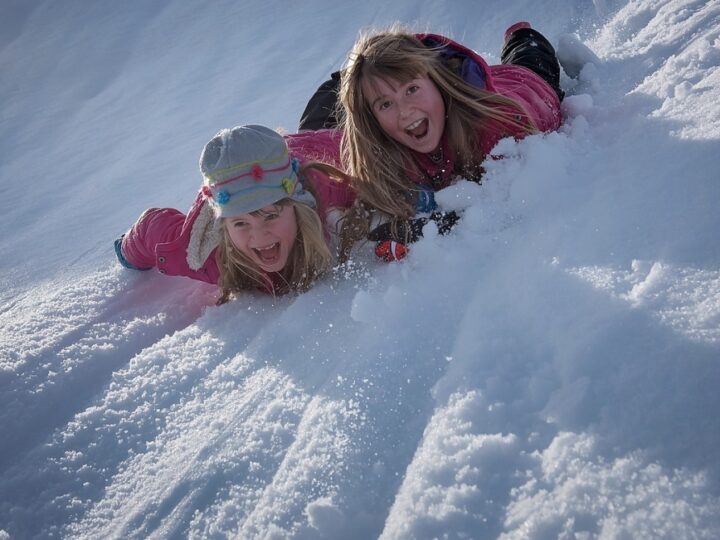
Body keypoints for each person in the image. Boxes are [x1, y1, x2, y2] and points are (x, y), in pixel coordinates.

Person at [323, 22, 564, 260]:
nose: (404, 111)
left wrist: (438, 226)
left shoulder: (494, 127)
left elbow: (502, 202)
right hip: (486, 87)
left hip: (528, 85)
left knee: (530, 55)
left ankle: (520, 34)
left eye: (411, 89)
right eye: (385, 104)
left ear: (437, 81)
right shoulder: (390, 147)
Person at [115, 125, 355, 303]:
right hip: (237, 182)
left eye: (271, 216)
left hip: (315, 148)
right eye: (240, 223)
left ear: (297, 207)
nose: (259, 236)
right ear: (223, 227)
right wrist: (127, 252)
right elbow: (151, 228)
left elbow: (360, 151)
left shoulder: (326, 192)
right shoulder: (206, 254)